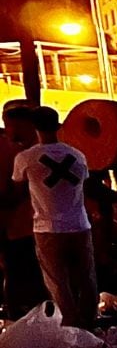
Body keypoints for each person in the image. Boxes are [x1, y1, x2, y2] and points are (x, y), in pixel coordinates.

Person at [7, 105, 97, 326]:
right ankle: (89, 322)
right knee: (86, 277)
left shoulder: (27, 158)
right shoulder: (77, 155)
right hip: (80, 224)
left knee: (57, 281)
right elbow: (85, 184)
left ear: (34, 127)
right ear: (57, 125)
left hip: (47, 228)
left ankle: (69, 324)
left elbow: (17, 188)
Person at [2, 104, 49, 317]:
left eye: (10, 125)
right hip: (29, 225)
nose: (8, 129)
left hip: (24, 225)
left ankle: (23, 318)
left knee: (19, 273)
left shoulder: (24, 154)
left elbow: (16, 192)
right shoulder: (35, 151)